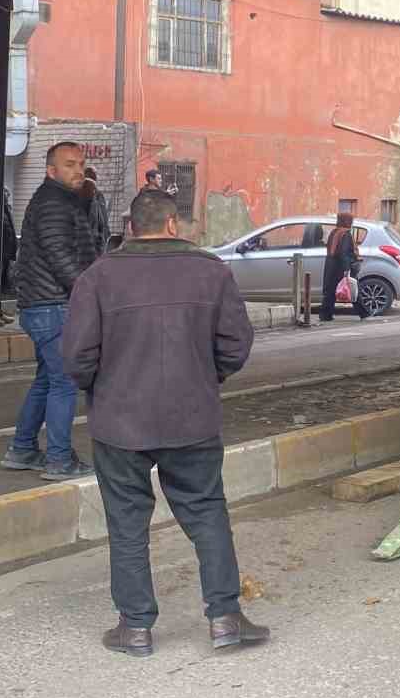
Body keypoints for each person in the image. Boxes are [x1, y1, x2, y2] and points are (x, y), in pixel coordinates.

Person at [62, 189, 267, 657]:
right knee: (207, 511)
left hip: (120, 423)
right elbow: (235, 345)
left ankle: (135, 628)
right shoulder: (211, 273)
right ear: (173, 225)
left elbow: (76, 356)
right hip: (192, 418)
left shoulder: (98, 278)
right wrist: (204, 376)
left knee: (127, 523)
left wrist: (104, 387)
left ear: (131, 226)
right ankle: (225, 619)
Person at [1, 142, 97, 481]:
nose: (78, 170)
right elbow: (61, 258)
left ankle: (23, 449)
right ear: (51, 171)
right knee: (64, 382)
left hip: (43, 305)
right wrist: (92, 291)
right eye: (69, 164)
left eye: (81, 163)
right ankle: (58, 460)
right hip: (52, 306)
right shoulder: (55, 203)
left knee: (46, 380)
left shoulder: (58, 200)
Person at [319, 211, 368, 322]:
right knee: (353, 290)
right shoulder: (345, 234)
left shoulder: (334, 232)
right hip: (342, 266)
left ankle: (325, 315)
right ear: (347, 221)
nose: (351, 223)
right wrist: (346, 269)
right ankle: (364, 313)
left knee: (330, 291)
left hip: (331, 265)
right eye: (350, 220)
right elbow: (344, 253)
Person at [82, 167, 112, 256]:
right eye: (95, 173)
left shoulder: (98, 194)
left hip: (97, 240)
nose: (97, 176)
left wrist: (107, 235)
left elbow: (103, 218)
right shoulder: (82, 194)